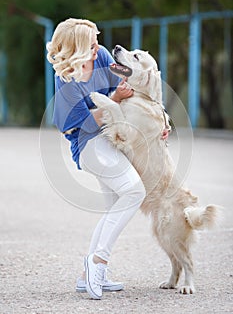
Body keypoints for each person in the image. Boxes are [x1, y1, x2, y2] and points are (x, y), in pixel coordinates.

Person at [46, 18, 169, 300]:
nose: (98, 47)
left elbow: (135, 86)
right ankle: (97, 263)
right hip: (88, 144)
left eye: (96, 41)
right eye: (90, 44)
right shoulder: (66, 80)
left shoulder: (100, 56)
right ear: (76, 49)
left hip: (114, 135)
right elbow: (72, 127)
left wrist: (161, 121)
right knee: (134, 191)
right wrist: (113, 99)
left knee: (115, 204)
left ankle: (85, 274)